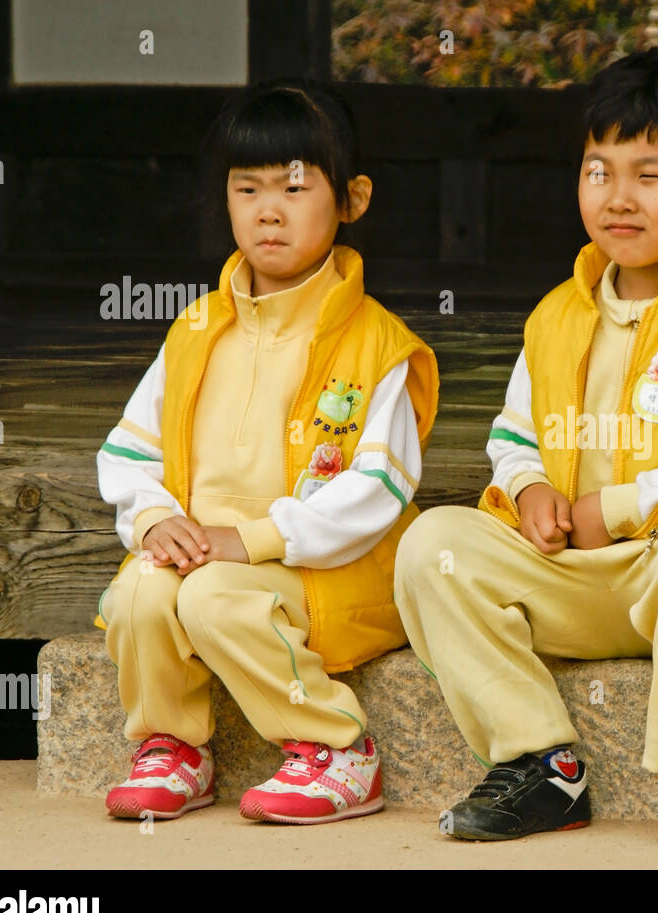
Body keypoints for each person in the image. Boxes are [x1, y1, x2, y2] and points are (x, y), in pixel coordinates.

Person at [393, 48, 658, 851]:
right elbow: (513, 434)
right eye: (597, 171)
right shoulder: (556, 315)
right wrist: (531, 486)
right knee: (429, 544)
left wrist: (615, 508)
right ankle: (540, 762)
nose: (617, 198)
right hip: (567, 574)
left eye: (649, 176)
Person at [93, 79, 438, 825]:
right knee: (140, 591)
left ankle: (336, 749)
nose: (267, 210)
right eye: (246, 188)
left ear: (353, 199)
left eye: (294, 186)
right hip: (206, 556)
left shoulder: (376, 343)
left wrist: (248, 541)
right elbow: (127, 449)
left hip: (325, 571)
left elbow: (376, 491)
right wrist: (153, 518)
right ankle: (172, 747)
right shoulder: (195, 329)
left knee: (215, 596)